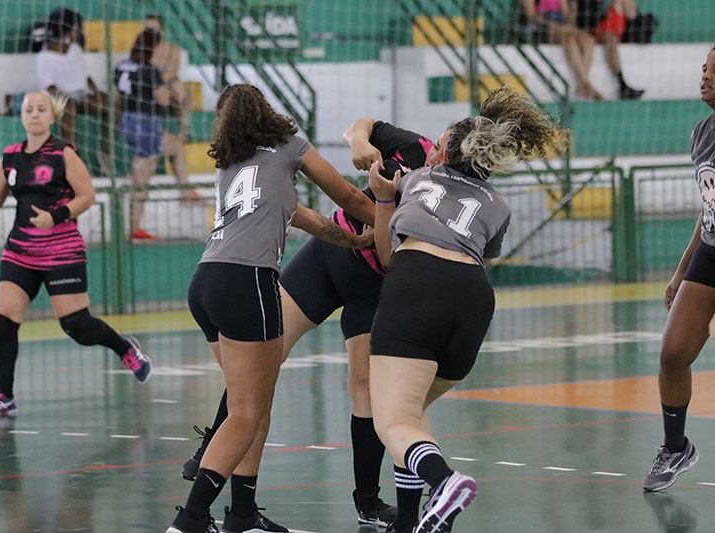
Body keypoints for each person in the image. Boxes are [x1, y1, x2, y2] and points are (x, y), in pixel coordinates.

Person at [180, 117, 451, 528]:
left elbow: (394, 245)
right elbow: (362, 126)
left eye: (444, 150)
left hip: (375, 284)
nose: (434, 151)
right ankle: (213, 448)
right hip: (328, 257)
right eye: (439, 142)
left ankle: (368, 501)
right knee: (262, 359)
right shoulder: (415, 146)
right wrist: (359, 142)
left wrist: (382, 207)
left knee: (364, 388)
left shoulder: (447, 200)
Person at [165, 83, 376, 533]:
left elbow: (301, 216)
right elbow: (350, 198)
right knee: (246, 410)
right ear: (266, 111)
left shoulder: (229, 164)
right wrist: (394, 223)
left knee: (254, 402)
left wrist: (352, 240)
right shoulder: (289, 144)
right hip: (248, 282)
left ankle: (242, 512)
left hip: (205, 283)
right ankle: (192, 517)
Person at [367, 86, 561, 533]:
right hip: (474, 300)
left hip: (417, 284)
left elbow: (387, 255)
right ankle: (410, 521)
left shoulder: (418, 179)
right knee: (411, 413)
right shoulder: (499, 205)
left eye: (437, 144)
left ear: (447, 154)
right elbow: (479, 253)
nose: (431, 150)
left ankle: (445, 482)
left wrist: (382, 198)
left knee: (392, 420)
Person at [0, 91, 151, 416]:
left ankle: (125, 348)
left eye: (41, 109)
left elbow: (87, 195)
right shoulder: (10, 156)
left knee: (77, 326)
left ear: (52, 116)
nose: (35, 114)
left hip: (62, 251)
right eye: (29, 110)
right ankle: (3, 394)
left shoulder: (63, 153)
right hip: (20, 250)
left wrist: (55, 216)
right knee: (3, 318)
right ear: (21, 116)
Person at [641, 46, 715, 493]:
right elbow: (708, 209)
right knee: (672, 354)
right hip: (710, 251)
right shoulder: (701, 134)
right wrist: (682, 269)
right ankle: (676, 447)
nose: (705, 76)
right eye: (705, 68)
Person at [115, 29, 191, 241]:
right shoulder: (150, 70)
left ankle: (186, 191)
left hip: (127, 122)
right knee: (142, 177)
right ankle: (134, 227)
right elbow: (163, 100)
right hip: (146, 124)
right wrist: (169, 90)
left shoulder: (121, 66)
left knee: (175, 146)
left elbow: (117, 97)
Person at [35, 8, 114, 170]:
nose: (80, 33)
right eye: (77, 29)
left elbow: (85, 77)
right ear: (67, 31)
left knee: (112, 105)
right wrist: (65, 96)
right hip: (61, 97)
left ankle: (106, 152)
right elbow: (49, 87)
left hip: (82, 95)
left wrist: (97, 91)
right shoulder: (45, 57)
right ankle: (71, 157)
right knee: (67, 108)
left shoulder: (75, 50)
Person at [521, 0, 603, 100]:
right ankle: (586, 84)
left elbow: (566, 14)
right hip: (543, 28)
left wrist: (568, 23)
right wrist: (555, 25)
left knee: (588, 40)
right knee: (569, 39)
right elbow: (532, 16)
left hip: (562, 27)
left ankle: (582, 84)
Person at [576, 0, 644, 99]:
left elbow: (632, 15)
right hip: (603, 30)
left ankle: (622, 84)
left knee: (611, 38)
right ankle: (621, 83)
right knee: (610, 39)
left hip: (619, 29)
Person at [144, 14, 193, 142]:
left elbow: (173, 72)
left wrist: (159, 81)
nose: (151, 33)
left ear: (162, 31)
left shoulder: (172, 49)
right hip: (148, 86)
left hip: (167, 85)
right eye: (148, 29)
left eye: (154, 29)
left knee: (179, 90)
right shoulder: (141, 50)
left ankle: (184, 132)